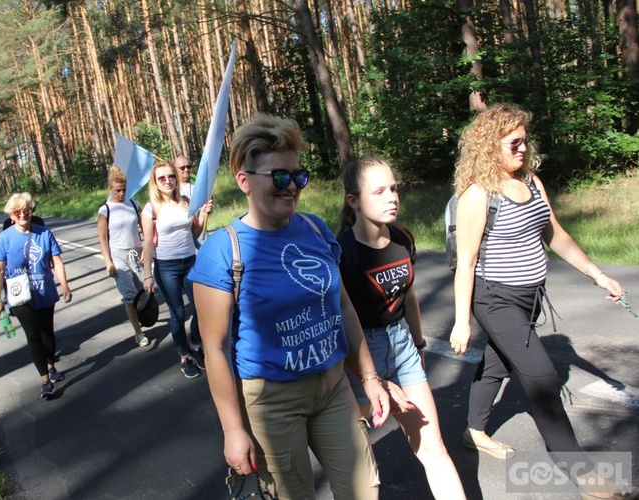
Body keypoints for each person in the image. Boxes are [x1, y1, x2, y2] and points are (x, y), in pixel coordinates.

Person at [189, 114, 414, 500]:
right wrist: (233, 429)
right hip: (272, 401)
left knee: (364, 491)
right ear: (244, 180)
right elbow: (215, 350)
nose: (291, 187)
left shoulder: (314, 229)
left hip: (332, 388)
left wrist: (370, 379)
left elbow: (342, 306)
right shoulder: (223, 251)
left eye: (297, 176)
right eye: (279, 177)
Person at [449, 104, 624, 464]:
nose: (522, 149)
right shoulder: (478, 195)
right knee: (543, 377)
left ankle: (474, 431)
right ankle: (576, 466)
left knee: (498, 362)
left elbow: (555, 236)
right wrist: (461, 321)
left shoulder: (531, 182)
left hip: (530, 296)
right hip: (494, 297)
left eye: (524, 141)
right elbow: (465, 264)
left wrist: (597, 274)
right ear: (489, 146)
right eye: (513, 143)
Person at [337, 157, 465, 499]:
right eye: (379, 191)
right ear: (354, 200)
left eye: (393, 189)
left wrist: (419, 345)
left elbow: (408, 298)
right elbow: (338, 321)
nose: (391, 197)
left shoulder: (402, 240)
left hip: (403, 347)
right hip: (360, 356)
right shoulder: (342, 253)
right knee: (358, 467)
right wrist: (370, 377)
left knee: (434, 448)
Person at [0, 192, 72, 399]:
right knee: (33, 336)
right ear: (11, 215)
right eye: (17, 212)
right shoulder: (4, 238)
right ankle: (45, 381)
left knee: (47, 333)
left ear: (31, 211)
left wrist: (65, 285)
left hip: (45, 291)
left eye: (26, 210)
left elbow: (57, 262)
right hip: (20, 297)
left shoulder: (44, 233)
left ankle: (51, 365)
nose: (22, 215)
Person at [141, 160, 211, 378]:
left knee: (200, 308)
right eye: (162, 178)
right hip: (167, 267)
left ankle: (196, 344)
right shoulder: (151, 208)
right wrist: (147, 276)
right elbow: (146, 244)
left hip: (190, 261)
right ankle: (184, 357)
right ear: (155, 182)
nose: (168, 181)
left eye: (171, 176)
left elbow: (195, 233)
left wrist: (204, 214)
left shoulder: (186, 201)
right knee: (178, 314)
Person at [97, 166, 150, 347]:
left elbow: (145, 228)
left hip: (136, 253)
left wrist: (145, 249)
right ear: (110, 189)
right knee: (130, 295)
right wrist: (108, 261)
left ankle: (141, 316)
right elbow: (103, 239)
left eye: (123, 190)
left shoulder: (134, 205)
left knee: (145, 292)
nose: (121, 193)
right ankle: (138, 333)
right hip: (118, 256)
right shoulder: (105, 210)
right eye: (117, 190)